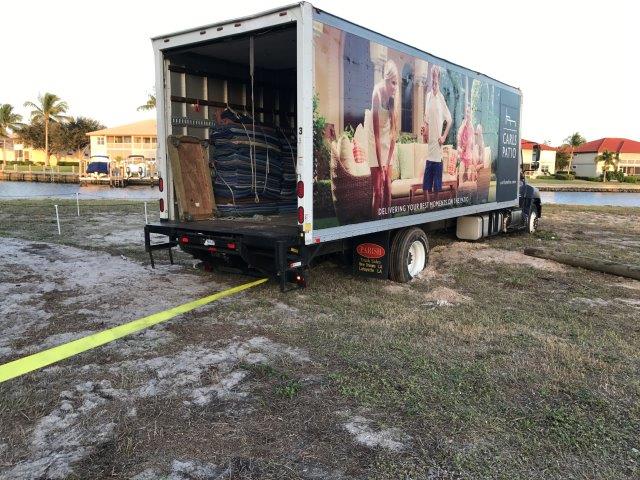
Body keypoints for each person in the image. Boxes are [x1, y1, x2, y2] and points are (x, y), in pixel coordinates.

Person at [368, 60, 398, 217]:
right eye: (393, 83)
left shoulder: (393, 98)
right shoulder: (377, 94)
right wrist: (380, 166)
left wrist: (387, 164)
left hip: (387, 143)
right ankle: (374, 226)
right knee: (377, 191)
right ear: (386, 81)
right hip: (375, 142)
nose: (395, 87)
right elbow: (377, 135)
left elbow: (394, 135)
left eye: (397, 83)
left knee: (388, 189)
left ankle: (387, 223)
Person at [422, 65, 452, 197]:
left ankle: (435, 207)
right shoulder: (428, 97)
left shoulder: (441, 99)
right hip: (430, 148)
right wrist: (424, 130)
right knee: (426, 185)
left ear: (438, 80)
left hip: (438, 149)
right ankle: (429, 208)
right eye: (432, 78)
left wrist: (444, 136)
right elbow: (426, 120)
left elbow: (450, 120)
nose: (434, 82)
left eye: (436, 79)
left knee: (437, 187)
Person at [457, 102, 475, 182]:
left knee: (469, 173)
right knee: (462, 165)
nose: (468, 114)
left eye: (469, 112)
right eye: (467, 112)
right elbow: (459, 137)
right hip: (463, 153)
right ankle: (461, 185)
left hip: (469, 154)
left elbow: (472, 141)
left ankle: (469, 185)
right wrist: (460, 149)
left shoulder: (471, 126)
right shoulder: (463, 125)